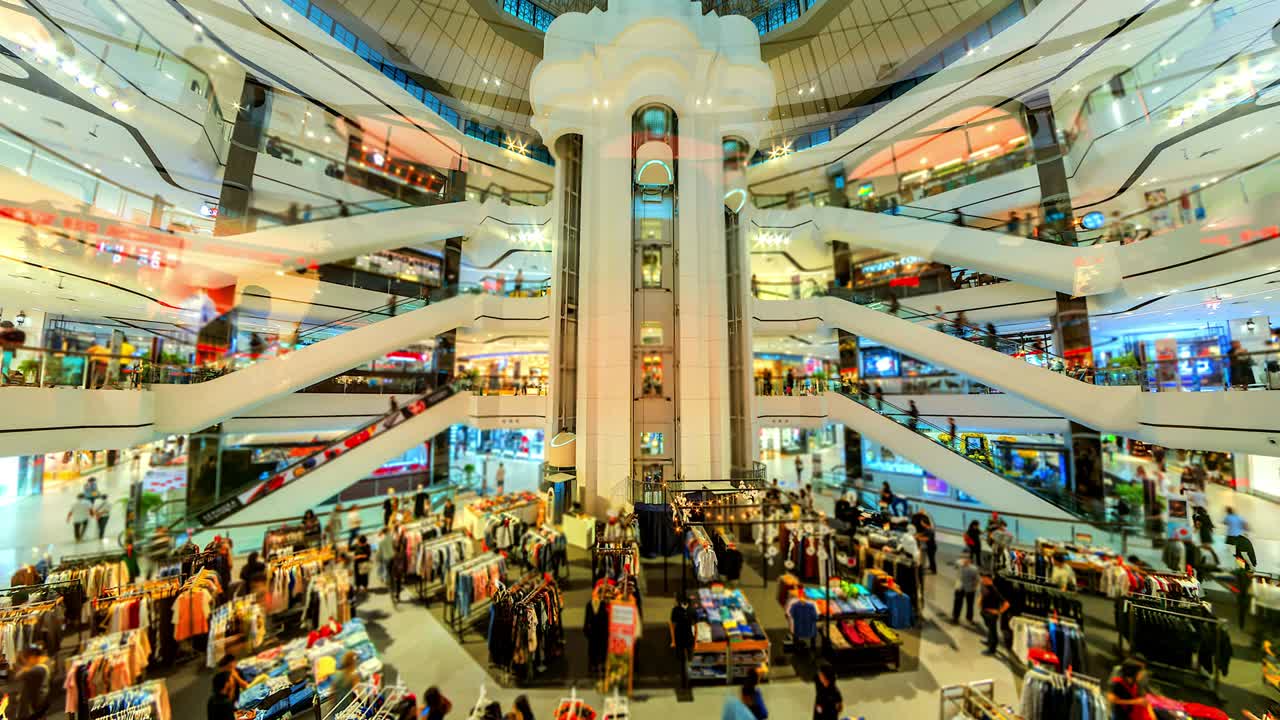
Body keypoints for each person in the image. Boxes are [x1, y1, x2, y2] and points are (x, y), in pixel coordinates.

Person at [13, 646, 50, 720]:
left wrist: (19, 661)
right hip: (38, 707)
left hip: (35, 708)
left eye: (28, 658)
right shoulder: (42, 667)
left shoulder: (39, 669)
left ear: (33, 656)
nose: (27, 660)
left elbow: (18, 676)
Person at [979, 574, 1009, 655]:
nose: (982, 580)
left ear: (989, 579)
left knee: (993, 631)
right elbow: (983, 595)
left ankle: (992, 649)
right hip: (985, 612)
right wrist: (980, 601)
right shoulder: (984, 586)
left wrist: (998, 612)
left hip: (991, 614)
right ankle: (989, 641)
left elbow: (1006, 604)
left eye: (984, 579)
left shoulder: (994, 590)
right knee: (989, 629)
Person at [670, 595, 695, 688]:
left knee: (688, 659)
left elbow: (695, 626)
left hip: (687, 637)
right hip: (680, 637)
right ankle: (683, 680)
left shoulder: (691, 611)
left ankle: (687, 681)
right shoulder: (676, 610)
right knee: (681, 659)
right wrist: (673, 640)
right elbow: (672, 625)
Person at [953, 557, 980, 624]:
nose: (965, 561)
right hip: (960, 587)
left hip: (969, 589)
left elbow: (976, 579)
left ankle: (968, 618)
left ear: (970, 561)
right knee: (958, 603)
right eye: (964, 559)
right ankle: (956, 618)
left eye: (967, 559)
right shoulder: (959, 564)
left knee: (969, 605)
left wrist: (974, 588)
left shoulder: (973, 569)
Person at [911, 508, 938, 573]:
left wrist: (917, 538)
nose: (921, 523)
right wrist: (917, 535)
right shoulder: (927, 528)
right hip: (930, 546)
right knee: (930, 557)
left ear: (925, 523)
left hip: (932, 547)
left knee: (932, 558)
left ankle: (934, 570)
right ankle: (931, 566)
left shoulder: (930, 530)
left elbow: (927, 538)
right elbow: (923, 533)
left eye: (922, 522)